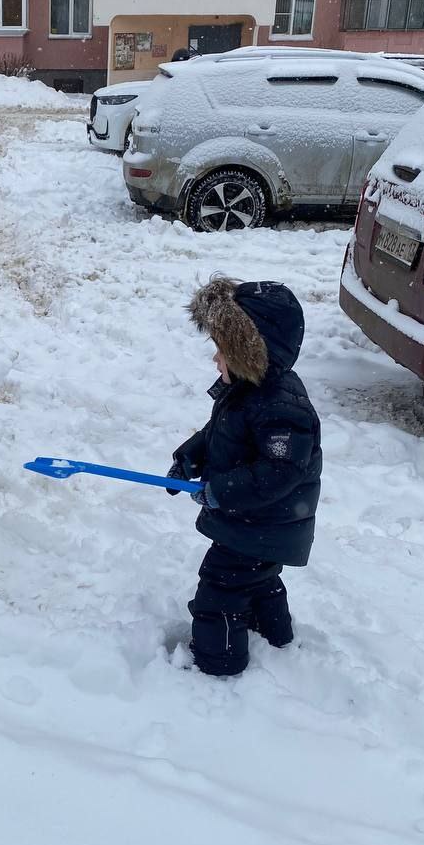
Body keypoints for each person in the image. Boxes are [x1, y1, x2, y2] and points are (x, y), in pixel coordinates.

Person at [167, 277, 321, 677]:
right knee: (258, 578)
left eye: (222, 349)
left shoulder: (280, 405)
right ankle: (275, 635)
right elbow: (219, 435)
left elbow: (280, 471)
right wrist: (188, 459)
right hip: (261, 524)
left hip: (260, 522)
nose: (215, 358)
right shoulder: (248, 390)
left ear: (246, 352)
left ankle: (218, 663)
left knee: (220, 589)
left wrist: (220, 491)